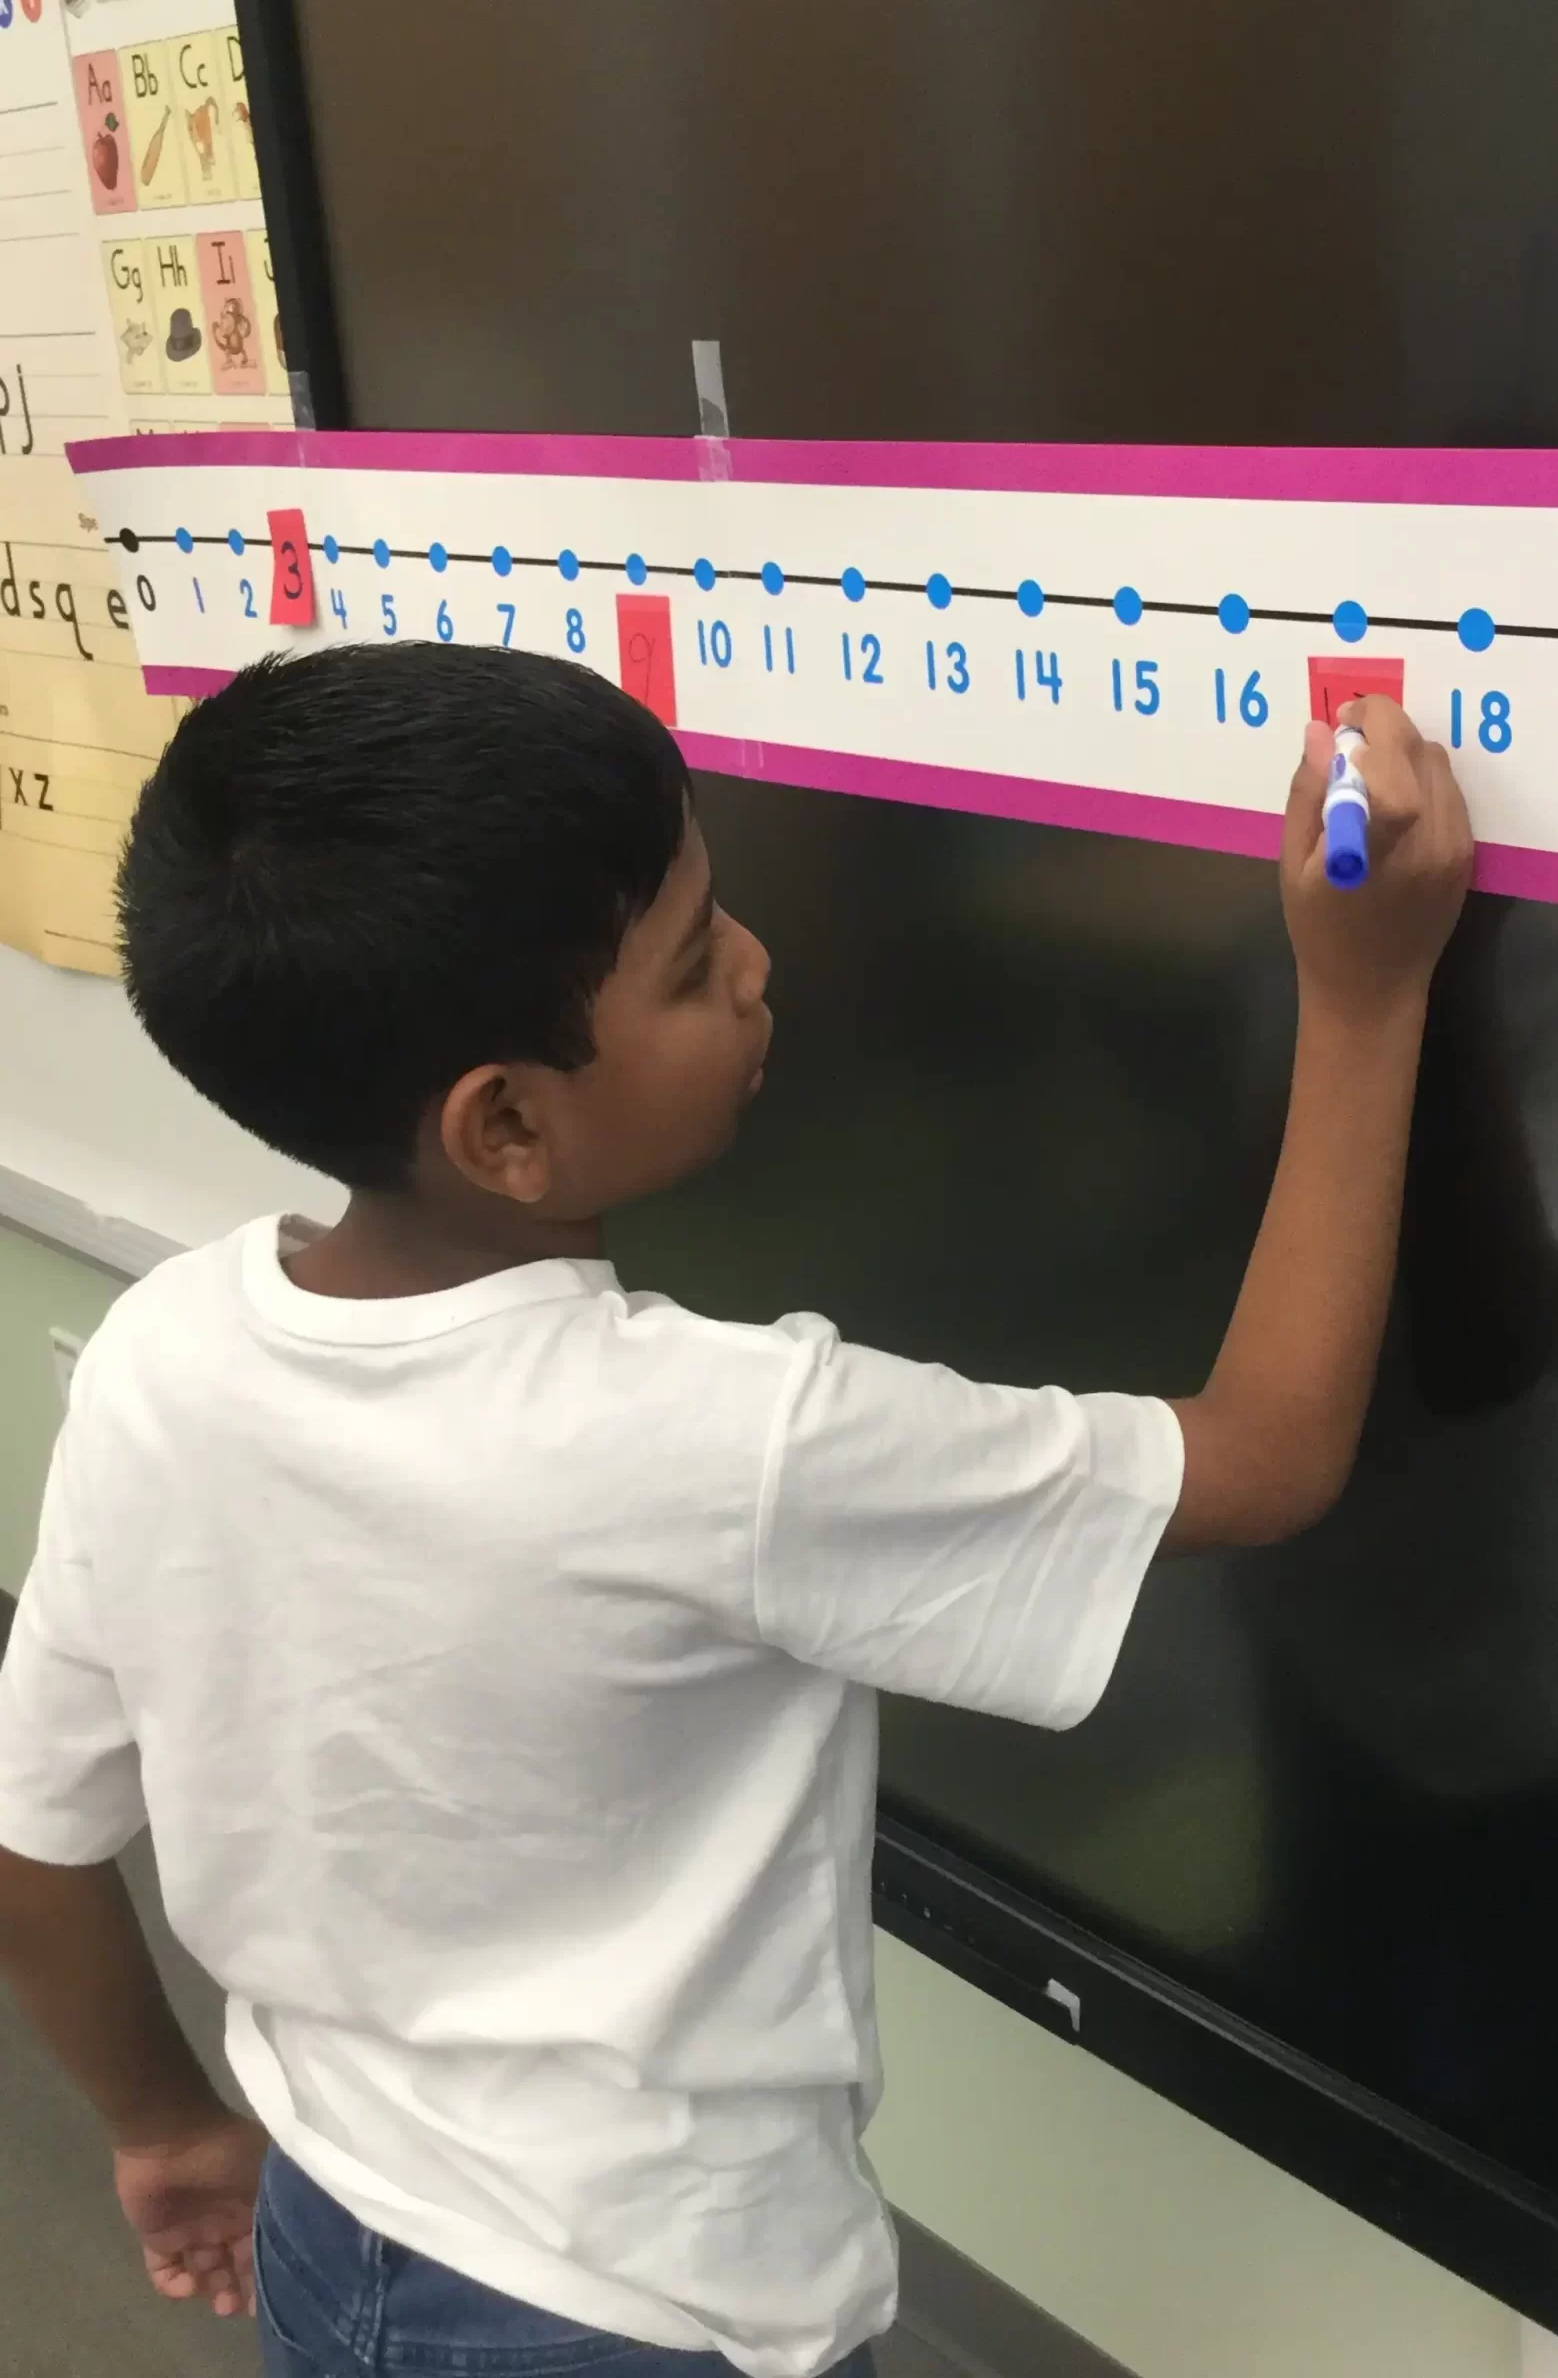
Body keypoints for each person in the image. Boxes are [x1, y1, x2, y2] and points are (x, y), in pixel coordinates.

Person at [0, 643, 1469, 2378]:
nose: (759, 966)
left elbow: (38, 1842)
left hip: (339, 2232)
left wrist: (164, 2125)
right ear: (508, 1128)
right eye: (697, 966)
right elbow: (1269, 1453)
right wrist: (1367, 998)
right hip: (645, 2317)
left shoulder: (165, 1348)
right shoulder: (722, 1442)